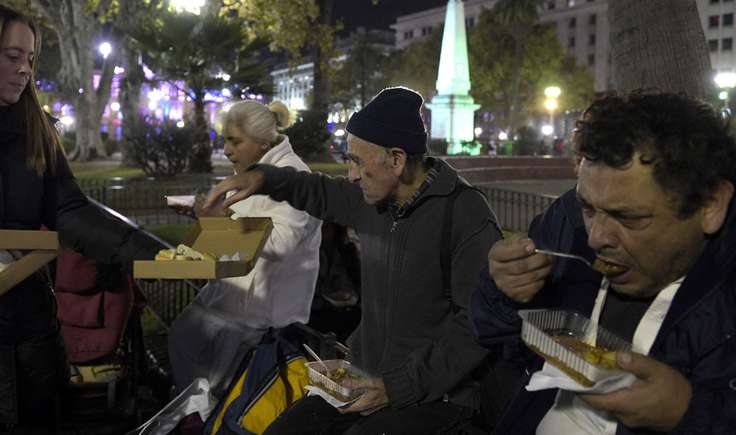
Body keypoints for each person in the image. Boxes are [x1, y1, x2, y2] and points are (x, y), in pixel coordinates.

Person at [471, 91, 736, 434]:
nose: (596, 237)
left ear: (710, 206)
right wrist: (503, 290)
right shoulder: (567, 222)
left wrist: (688, 413)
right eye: (589, 208)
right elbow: (497, 337)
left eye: (629, 218)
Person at [204, 86, 502, 434]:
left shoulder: (465, 213)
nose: (352, 174)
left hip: (438, 397)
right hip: (362, 381)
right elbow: (317, 190)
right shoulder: (371, 198)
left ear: (396, 159)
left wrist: (397, 387)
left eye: (358, 161)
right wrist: (262, 177)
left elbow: (478, 324)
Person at [0, 6, 163, 434]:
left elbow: (69, 208)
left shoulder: (38, 128)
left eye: (30, 59)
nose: (23, 69)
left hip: (31, 332)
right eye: (11, 56)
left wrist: (156, 255)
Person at [166, 100, 322, 427]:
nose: (225, 150)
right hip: (230, 301)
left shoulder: (295, 177)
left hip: (262, 317)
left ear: (263, 143)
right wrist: (208, 220)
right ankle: (200, 422)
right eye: (224, 140)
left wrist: (223, 219)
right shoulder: (250, 174)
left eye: (234, 141)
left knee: (221, 394)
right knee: (184, 341)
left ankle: (205, 424)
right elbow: (234, 236)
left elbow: (280, 244)